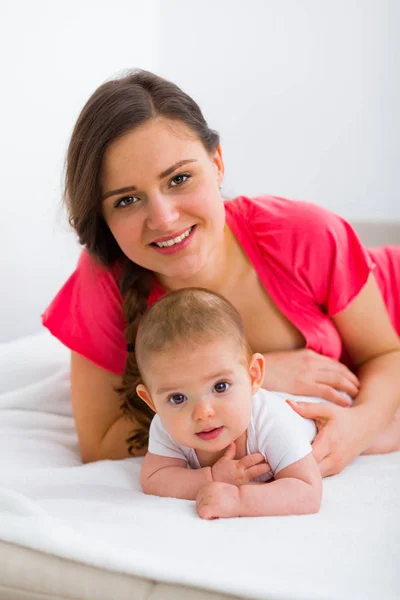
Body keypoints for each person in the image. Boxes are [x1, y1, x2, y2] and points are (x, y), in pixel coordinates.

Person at [41, 69, 400, 476]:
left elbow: (386, 353)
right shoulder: (103, 280)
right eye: (127, 201)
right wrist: (246, 384)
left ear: (217, 163)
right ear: (102, 216)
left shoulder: (302, 232)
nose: (164, 218)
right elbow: (101, 443)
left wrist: (361, 426)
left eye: (178, 178)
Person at [135, 288, 395, 519]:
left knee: (378, 438)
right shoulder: (166, 424)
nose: (203, 412)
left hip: (321, 413)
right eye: (177, 398)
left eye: (220, 387)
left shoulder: (271, 422)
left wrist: (239, 500)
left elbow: (307, 490)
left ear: (254, 376)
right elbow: (154, 478)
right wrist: (211, 478)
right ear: (152, 401)